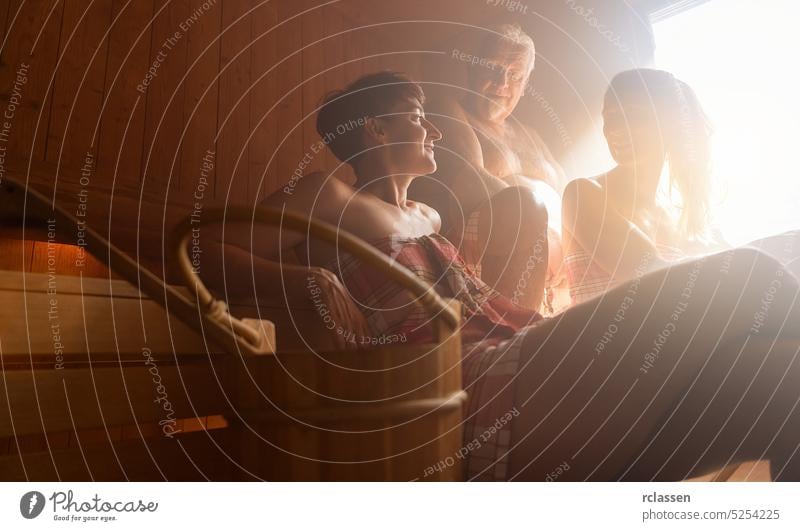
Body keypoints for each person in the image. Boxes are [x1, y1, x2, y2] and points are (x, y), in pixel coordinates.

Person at [210, 71, 800, 481]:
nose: (435, 131)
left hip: (512, 350)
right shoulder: (324, 197)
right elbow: (202, 246)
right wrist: (300, 278)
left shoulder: (429, 216)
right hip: (463, 389)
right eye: (417, 118)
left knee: (782, 381)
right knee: (753, 275)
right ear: (377, 130)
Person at [562, 68, 800, 306]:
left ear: (668, 124)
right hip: (606, 340)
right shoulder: (583, 194)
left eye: (632, 116)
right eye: (610, 116)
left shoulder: (682, 219)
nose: (615, 129)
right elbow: (653, 276)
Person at [410, 24, 568, 312]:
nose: (501, 82)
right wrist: (543, 239)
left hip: (553, 272)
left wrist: (571, 246)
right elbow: (471, 185)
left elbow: (567, 196)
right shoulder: (449, 110)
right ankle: (517, 338)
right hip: (486, 259)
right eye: (493, 68)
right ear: (472, 69)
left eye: (514, 75)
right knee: (524, 206)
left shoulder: (532, 135)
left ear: (526, 82)